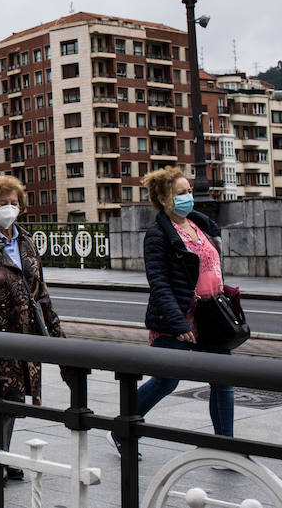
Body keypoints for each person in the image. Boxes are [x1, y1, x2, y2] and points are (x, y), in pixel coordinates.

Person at [110, 166, 234, 456]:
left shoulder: (202, 225)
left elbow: (211, 267)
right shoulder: (158, 235)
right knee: (167, 380)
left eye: (189, 191)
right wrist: (179, 324)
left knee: (224, 378)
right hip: (176, 321)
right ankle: (120, 427)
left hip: (210, 319)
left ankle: (226, 447)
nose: (188, 197)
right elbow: (159, 283)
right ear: (165, 200)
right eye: (181, 193)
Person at [0, 175, 65, 482]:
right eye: (3, 203)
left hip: (25, 335)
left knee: (16, 399)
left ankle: (0, 455)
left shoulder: (27, 242)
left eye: (14, 203)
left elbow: (41, 293)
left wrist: (58, 336)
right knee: (0, 400)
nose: (9, 208)